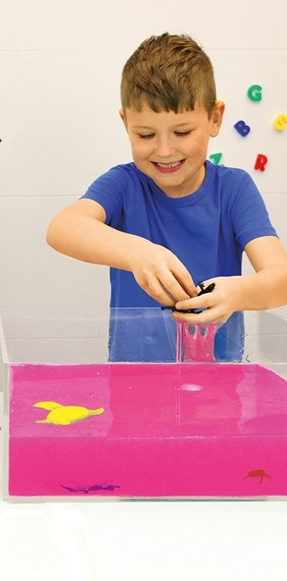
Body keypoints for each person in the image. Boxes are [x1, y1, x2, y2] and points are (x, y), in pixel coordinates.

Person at [46, 33, 287, 362]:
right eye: (146, 135)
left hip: (216, 383)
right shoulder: (124, 184)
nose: (164, 150)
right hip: (133, 382)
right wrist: (138, 253)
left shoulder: (235, 189)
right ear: (126, 123)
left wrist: (239, 292)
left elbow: (281, 278)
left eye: (182, 132)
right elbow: (62, 228)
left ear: (214, 118)